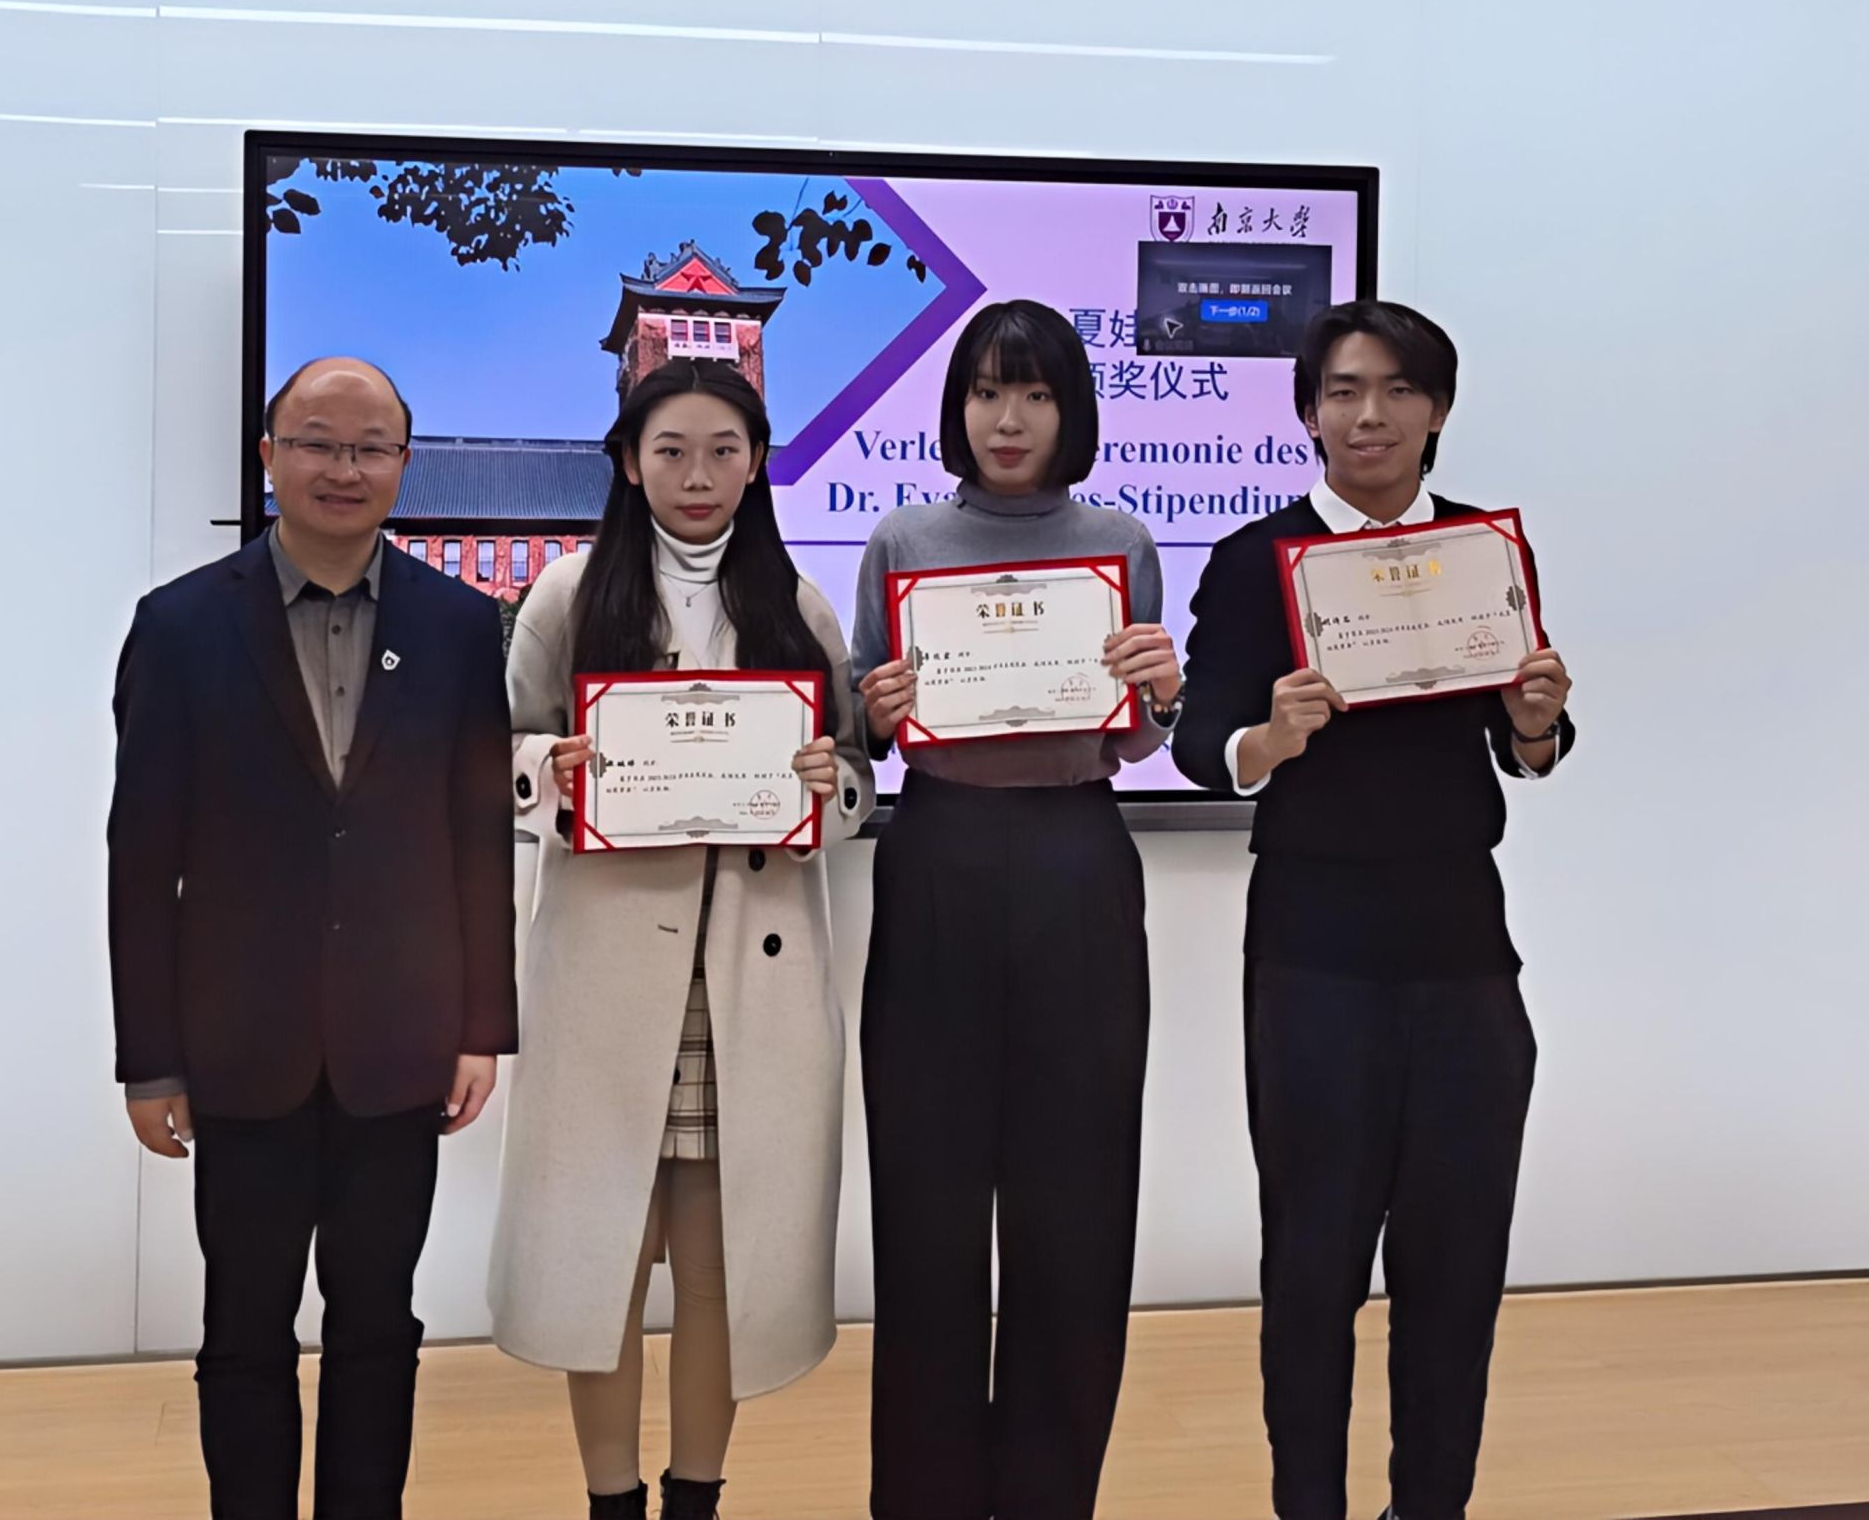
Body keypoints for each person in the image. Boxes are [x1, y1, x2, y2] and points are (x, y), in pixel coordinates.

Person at [1171, 300, 1576, 1520]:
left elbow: (1525, 746)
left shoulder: (1480, 551)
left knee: (1457, 1268)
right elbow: (1199, 741)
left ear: (1435, 410)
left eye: (1398, 390)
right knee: (1310, 1267)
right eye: (1343, 390)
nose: (1369, 415)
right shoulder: (1254, 558)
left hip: (1461, 945)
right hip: (1314, 951)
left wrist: (1535, 722)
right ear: (1306, 411)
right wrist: (1267, 737)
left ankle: (1429, 1505)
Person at [108, 356, 515, 1520]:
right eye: (318, 443)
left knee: (378, 1322)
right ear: (269, 455)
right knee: (244, 1325)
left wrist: (482, 1026)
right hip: (239, 1044)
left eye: (370, 447)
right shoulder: (181, 625)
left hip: (401, 1042)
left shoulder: (455, 624)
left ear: (403, 464)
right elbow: (140, 860)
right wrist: (150, 1059)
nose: (345, 468)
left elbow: (476, 835)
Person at [488, 360, 872, 1520]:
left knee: (719, 1269)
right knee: (597, 1257)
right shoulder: (566, 597)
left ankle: (696, 1495)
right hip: (604, 978)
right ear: (626, 462)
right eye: (669, 451)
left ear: (755, 466)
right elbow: (499, 752)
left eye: (721, 451)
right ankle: (609, 1499)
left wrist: (830, 786)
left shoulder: (796, 606)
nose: (696, 475)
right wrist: (545, 771)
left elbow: (852, 778)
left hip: (750, 982)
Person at [850, 300, 1181, 1520]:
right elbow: (862, 719)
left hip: (1074, 862)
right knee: (927, 1205)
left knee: (1074, 1204)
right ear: (956, 407)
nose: (1007, 417)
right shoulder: (901, 537)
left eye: (1034, 393)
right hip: (935, 854)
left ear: (1068, 410)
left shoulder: (1118, 540)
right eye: (987, 391)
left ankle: (1049, 1494)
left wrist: (1160, 694)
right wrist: (873, 710)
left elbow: (1136, 735)